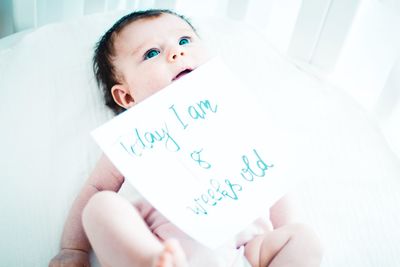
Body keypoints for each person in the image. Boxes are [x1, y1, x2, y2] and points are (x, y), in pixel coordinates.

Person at [49, 9, 323, 267]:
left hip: (247, 252)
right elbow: (96, 189)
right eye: (152, 53)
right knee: (100, 207)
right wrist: (73, 249)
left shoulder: (238, 115)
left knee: (304, 238)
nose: (176, 52)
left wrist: (287, 229)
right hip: (161, 245)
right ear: (127, 96)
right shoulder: (132, 135)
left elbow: (275, 179)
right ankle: (149, 260)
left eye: (184, 40)